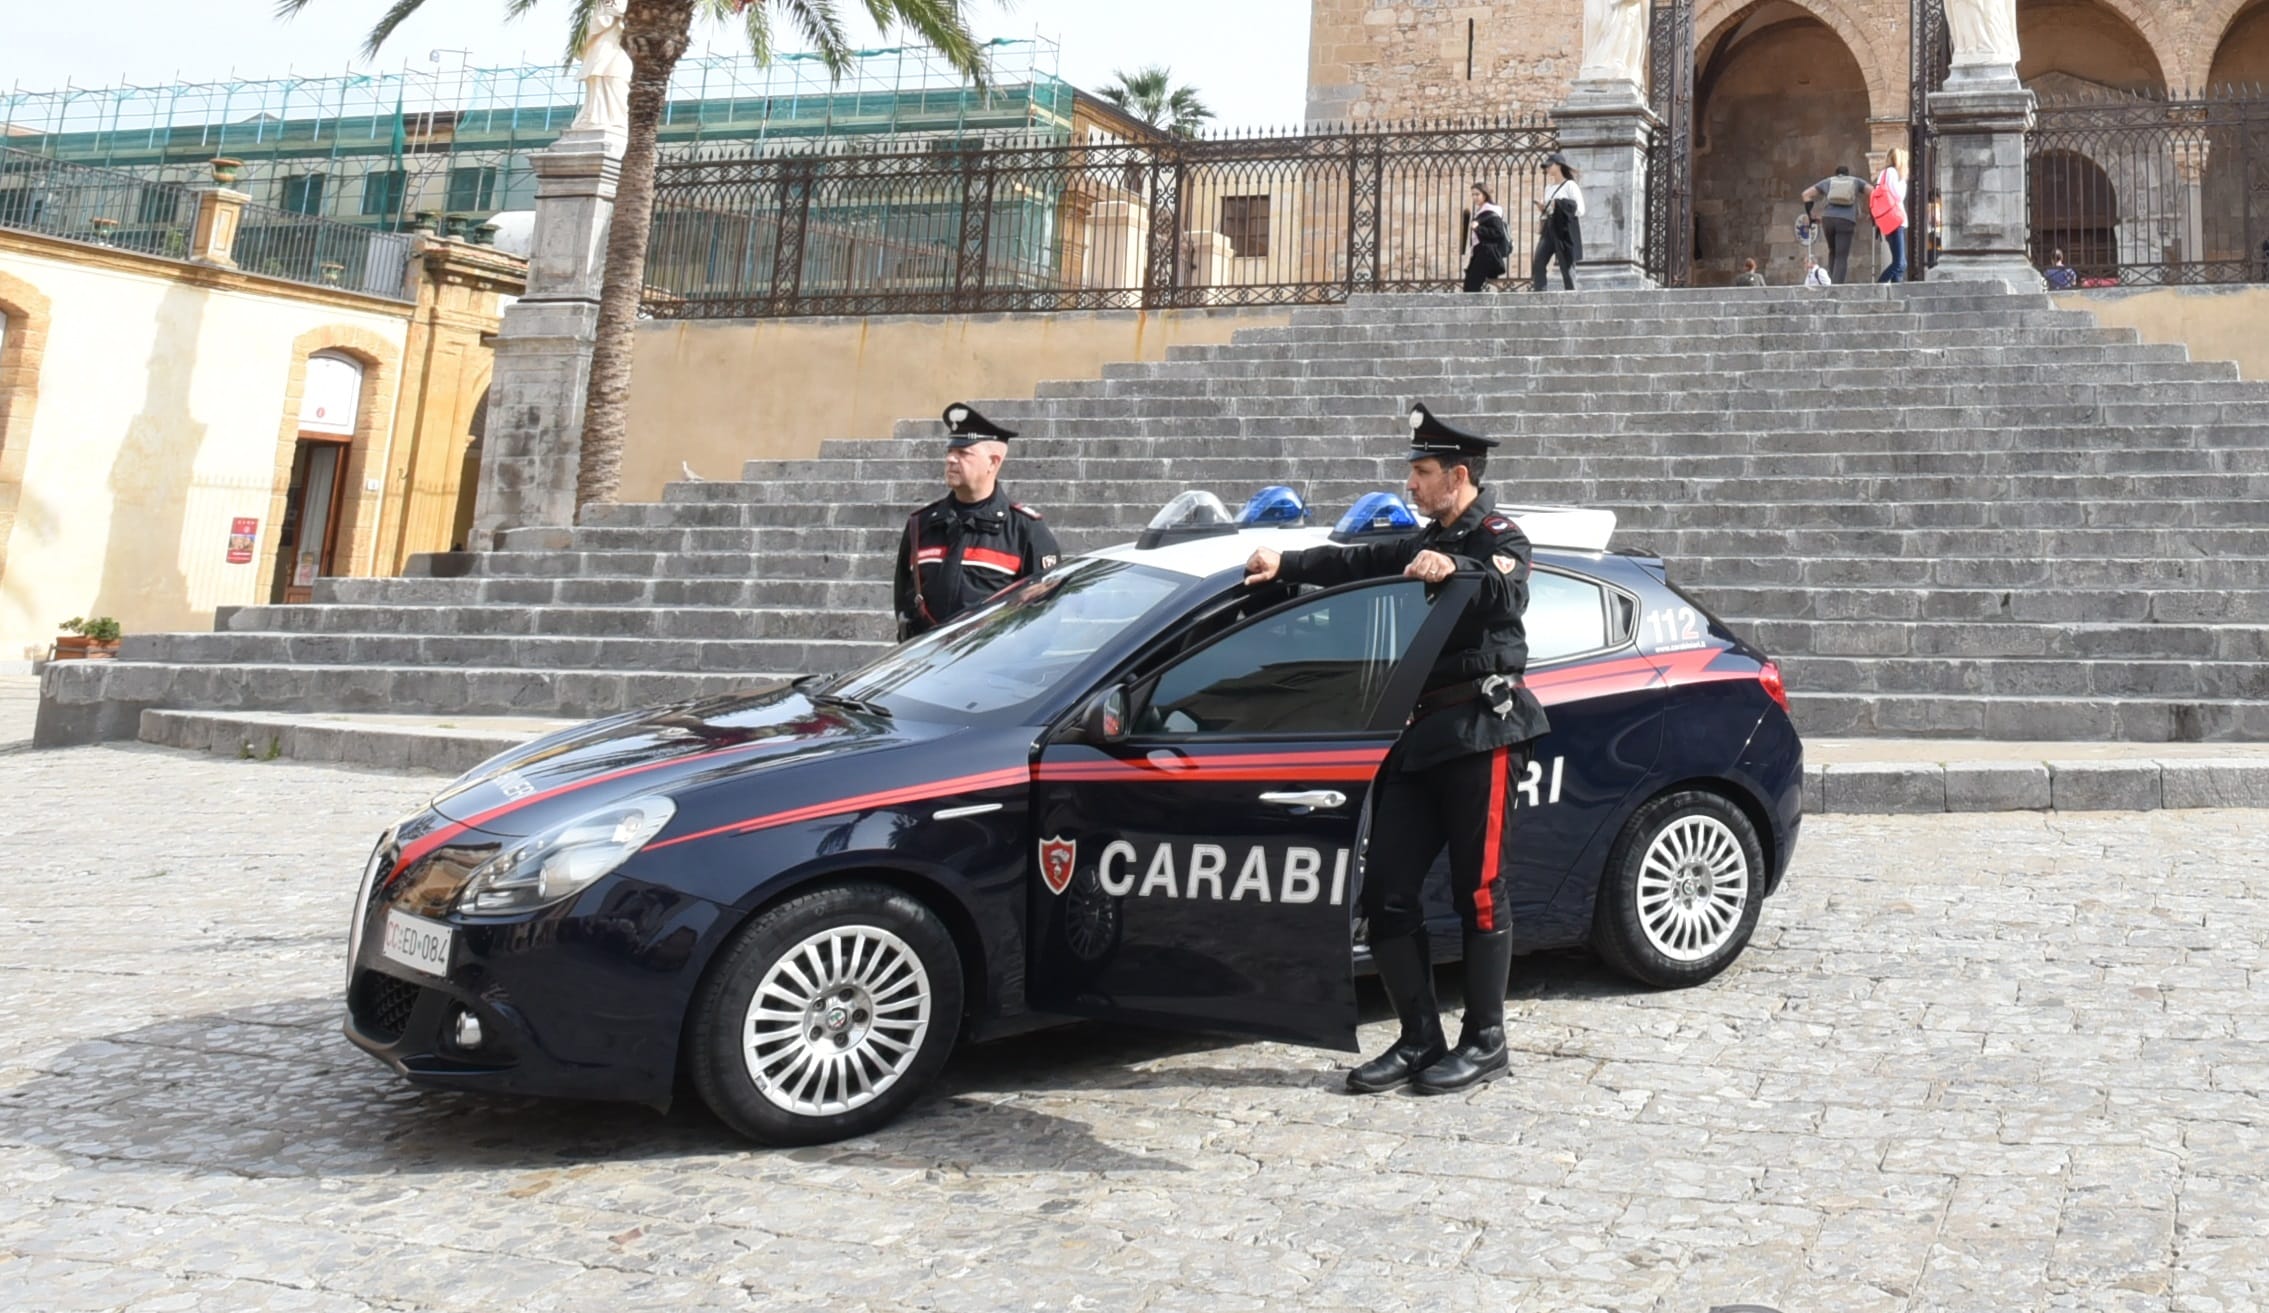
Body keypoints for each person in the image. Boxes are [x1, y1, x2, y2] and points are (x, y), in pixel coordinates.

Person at [1242, 404, 1551, 1096]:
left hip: (1484, 729)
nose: (1409, 484)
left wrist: (1457, 568)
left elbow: (1507, 589)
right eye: (1411, 471)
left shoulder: (1500, 535)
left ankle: (1485, 1039)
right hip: (1421, 735)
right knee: (1385, 890)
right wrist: (1284, 561)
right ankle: (1418, 1036)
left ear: (1458, 475)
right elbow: (1358, 561)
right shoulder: (1422, 537)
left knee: (1478, 889)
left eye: (1421, 472)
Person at [892, 402, 1060, 641]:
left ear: (993, 462)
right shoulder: (921, 525)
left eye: (963, 453)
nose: (951, 459)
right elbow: (902, 601)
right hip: (925, 666)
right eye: (950, 451)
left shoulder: (1026, 530)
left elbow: (1044, 612)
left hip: (990, 667)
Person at [1801, 164, 1872, 284]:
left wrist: (1810, 215)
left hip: (1828, 219)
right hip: (1846, 220)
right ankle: (1837, 287)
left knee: (1832, 251)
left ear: (1836, 174)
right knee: (1841, 255)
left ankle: (1831, 282)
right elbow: (1874, 192)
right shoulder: (1856, 181)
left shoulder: (1828, 181)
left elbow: (1806, 194)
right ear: (1847, 174)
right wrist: (1871, 211)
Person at [1530, 153, 1584, 292]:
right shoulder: (1548, 188)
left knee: (1566, 264)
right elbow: (1550, 209)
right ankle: (1540, 294)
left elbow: (1580, 209)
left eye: (1550, 165)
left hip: (1564, 229)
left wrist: (1558, 204)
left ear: (1559, 165)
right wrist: (1544, 207)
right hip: (1549, 227)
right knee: (1539, 261)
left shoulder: (1570, 185)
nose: (1547, 168)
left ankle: (1571, 294)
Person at [1463, 183, 1512, 293]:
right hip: (1479, 252)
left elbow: (1498, 233)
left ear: (1485, 195)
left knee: (1471, 286)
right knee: (1470, 285)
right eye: (1473, 195)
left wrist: (1478, 228)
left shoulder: (1490, 211)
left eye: (1477, 194)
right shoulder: (1481, 211)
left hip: (1486, 253)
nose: (1474, 197)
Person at [1871, 148, 1908, 283]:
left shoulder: (1883, 174)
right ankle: (1877, 287)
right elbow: (1898, 196)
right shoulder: (1892, 173)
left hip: (1887, 220)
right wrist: (1903, 181)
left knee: (1901, 263)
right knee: (1899, 263)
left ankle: (1896, 292)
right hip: (1895, 220)